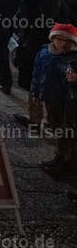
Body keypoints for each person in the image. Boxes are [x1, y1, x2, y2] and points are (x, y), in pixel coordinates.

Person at [30, 24, 77, 178]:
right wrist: (36, 93)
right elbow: (37, 75)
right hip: (50, 99)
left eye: (68, 41)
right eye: (60, 39)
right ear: (53, 38)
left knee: (67, 132)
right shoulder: (44, 53)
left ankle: (69, 162)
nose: (63, 43)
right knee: (56, 127)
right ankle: (59, 155)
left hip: (68, 104)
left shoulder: (73, 59)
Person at [14, 0, 69, 94]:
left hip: (32, 48)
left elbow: (25, 27)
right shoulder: (60, 2)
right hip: (54, 48)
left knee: (32, 82)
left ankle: (34, 113)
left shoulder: (29, 2)